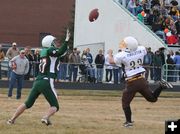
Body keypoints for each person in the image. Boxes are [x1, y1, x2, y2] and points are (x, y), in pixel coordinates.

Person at [7, 29, 70, 125]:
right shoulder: (50, 50)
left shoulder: (44, 51)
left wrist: (65, 46)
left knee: (27, 103)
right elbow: (60, 52)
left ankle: (12, 119)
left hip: (38, 81)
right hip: (47, 81)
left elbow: (61, 52)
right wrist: (66, 41)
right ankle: (45, 117)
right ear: (49, 43)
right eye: (53, 42)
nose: (55, 44)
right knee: (55, 106)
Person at [110, 36, 173, 127]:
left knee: (125, 102)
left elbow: (111, 61)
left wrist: (110, 53)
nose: (123, 45)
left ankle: (128, 122)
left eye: (125, 44)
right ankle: (161, 86)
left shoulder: (122, 55)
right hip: (142, 79)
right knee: (152, 98)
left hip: (132, 81)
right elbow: (140, 49)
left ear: (129, 46)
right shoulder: (141, 49)